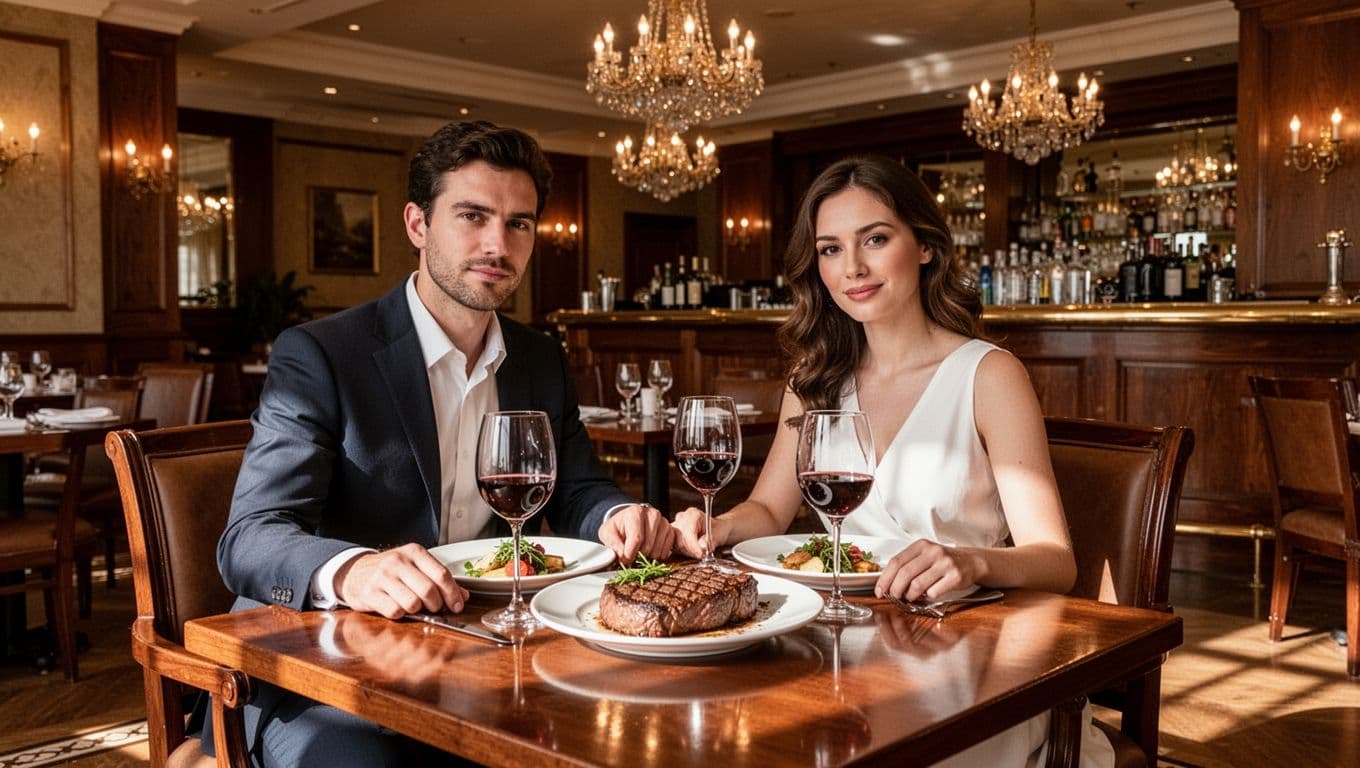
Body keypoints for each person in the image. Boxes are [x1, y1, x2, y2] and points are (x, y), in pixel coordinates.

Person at [214, 120, 676, 766]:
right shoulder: (322, 355)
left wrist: (615, 515)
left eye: (519, 223)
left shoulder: (539, 357)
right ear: (416, 225)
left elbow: (578, 489)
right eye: (473, 216)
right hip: (325, 671)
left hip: (485, 657)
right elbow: (251, 536)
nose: (498, 243)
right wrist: (353, 569)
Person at [672, 155, 1111, 768]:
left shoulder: (988, 375)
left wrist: (970, 560)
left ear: (925, 246)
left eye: (874, 239)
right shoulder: (814, 378)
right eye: (830, 249)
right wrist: (715, 527)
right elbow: (770, 509)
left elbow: (1056, 562)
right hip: (838, 648)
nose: (851, 267)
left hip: (968, 666)